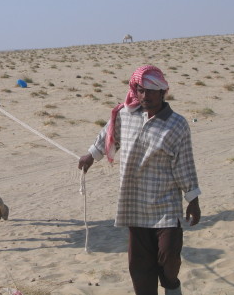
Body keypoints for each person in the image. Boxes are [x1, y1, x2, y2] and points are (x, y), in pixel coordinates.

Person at [78, 65, 201, 295]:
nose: (145, 96)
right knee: (140, 268)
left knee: (169, 258)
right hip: (135, 204)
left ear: (163, 92)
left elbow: (184, 164)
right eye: (141, 90)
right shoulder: (126, 115)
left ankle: (172, 286)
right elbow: (109, 136)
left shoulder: (177, 124)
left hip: (166, 204)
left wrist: (192, 198)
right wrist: (91, 156)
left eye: (151, 91)